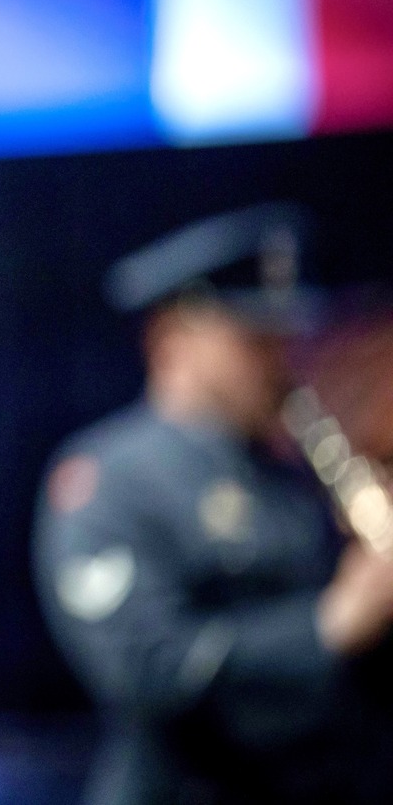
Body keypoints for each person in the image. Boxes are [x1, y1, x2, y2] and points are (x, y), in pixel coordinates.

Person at [34, 204, 393, 804]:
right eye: (254, 339)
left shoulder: (296, 469)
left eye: (285, 339)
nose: (281, 358)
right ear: (172, 338)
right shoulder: (107, 477)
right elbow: (145, 668)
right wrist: (330, 626)